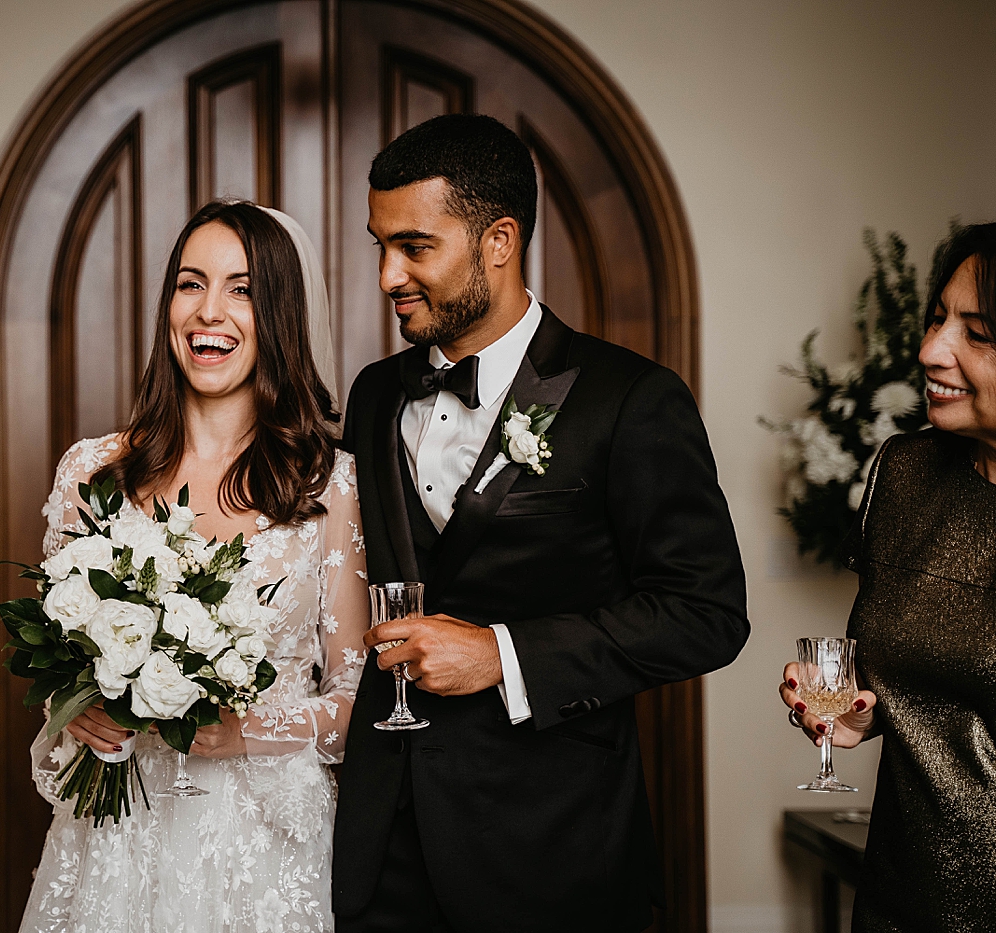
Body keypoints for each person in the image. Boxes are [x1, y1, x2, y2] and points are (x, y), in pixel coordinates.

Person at [332, 113, 750, 932]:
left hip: (555, 851)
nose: (387, 275)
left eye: (414, 247)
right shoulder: (374, 392)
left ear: (499, 239)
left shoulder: (631, 397)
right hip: (386, 849)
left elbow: (707, 615)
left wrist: (504, 654)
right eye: (379, 246)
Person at [18, 200, 369, 933]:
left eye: (242, 289)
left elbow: (353, 700)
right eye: (190, 283)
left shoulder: (329, 486)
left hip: (263, 856)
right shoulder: (92, 472)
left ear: (279, 314)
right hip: (116, 845)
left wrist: (244, 730)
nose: (210, 311)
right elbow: (52, 668)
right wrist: (79, 710)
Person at [779, 223, 996, 933]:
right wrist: (855, 716)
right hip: (899, 898)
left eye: (979, 332)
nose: (932, 350)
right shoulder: (905, 473)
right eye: (937, 320)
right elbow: (901, 677)